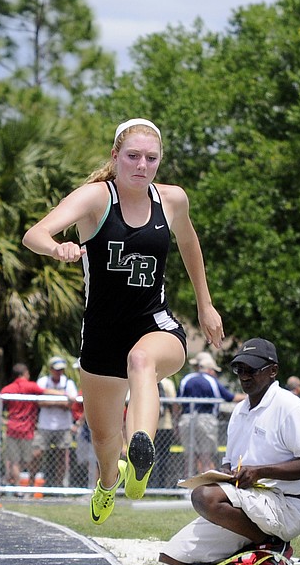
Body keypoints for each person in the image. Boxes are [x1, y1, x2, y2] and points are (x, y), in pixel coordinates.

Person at [22, 117, 223, 524]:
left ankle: (142, 447)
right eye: (133, 157)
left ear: (160, 161)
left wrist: (205, 304)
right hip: (101, 334)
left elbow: (189, 243)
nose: (142, 166)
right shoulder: (97, 197)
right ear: (116, 157)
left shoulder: (172, 200)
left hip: (154, 323)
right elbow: (34, 234)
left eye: (151, 158)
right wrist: (56, 249)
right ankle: (109, 480)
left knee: (142, 362)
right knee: (102, 436)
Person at [159, 338, 300, 565]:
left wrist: (260, 472)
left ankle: (272, 545)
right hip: (247, 502)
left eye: (252, 370)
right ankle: (252, 544)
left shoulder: (290, 407)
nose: (244, 376)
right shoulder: (239, 411)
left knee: (204, 497)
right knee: (170, 558)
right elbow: (231, 460)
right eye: (240, 369)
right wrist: (224, 473)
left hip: (285, 505)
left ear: (273, 371)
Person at [0, 363, 62, 491]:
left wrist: (2, 420)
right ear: (25, 373)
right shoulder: (30, 386)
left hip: (12, 428)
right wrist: (63, 393)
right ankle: (25, 486)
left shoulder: (8, 388)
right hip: (27, 429)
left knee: (14, 460)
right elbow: (46, 391)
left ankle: (18, 488)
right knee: (28, 459)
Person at [178, 353, 240, 474]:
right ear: (210, 369)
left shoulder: (186, 379)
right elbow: (230, 397)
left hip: (186, 419)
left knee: (189, 458)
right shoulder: (211, 381)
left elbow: (177, 404)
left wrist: (176, 422)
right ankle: (207, 487)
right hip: (206, 420)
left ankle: (186, 487)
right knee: (205, 457)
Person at [32, 356, 78, 487]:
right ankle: (31, 486)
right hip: (45, 425)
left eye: (61, 370)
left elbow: (70, 404)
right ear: (50, 369)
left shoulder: (68, 383)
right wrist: (60, 399)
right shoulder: (43, 381)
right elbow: (39, 402)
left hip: (63, 426)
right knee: (37, 454)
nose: (59, 372)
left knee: (62, 457)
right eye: (57, 370)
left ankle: (59, 487)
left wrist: (50, 401)